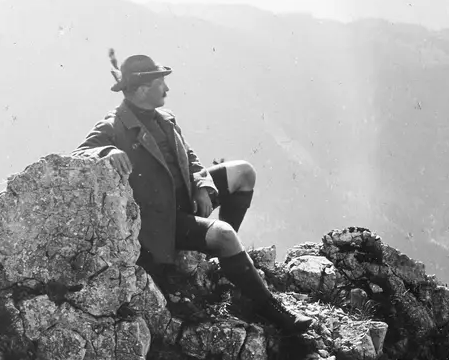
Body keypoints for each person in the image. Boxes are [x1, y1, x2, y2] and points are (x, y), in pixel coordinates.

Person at [74, 50, 313, 335]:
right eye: (160, 83)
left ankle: (221, 260)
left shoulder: (164, 117)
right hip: (163, 221)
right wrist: (107, 150)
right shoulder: (114, 126)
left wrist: (202, 185)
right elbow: (81, 152)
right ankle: (270, 307)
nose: (167, 88)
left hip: (186, 198)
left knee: (244, 172)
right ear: (140, 90)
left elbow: (189, 156)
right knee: (223, 233)